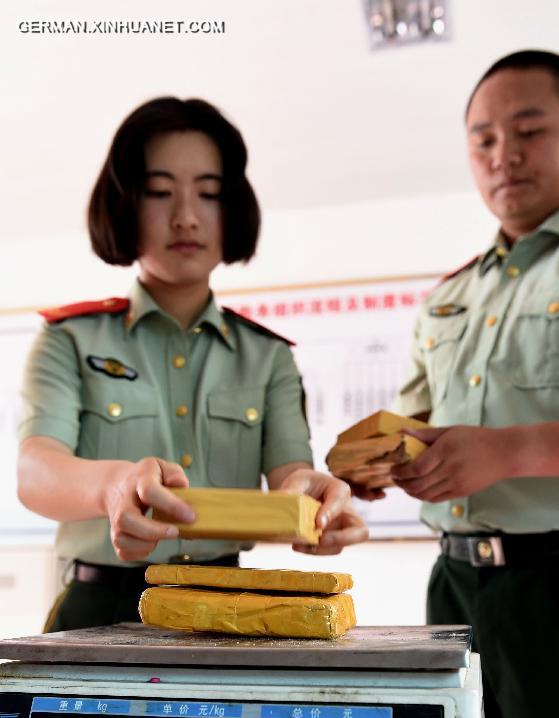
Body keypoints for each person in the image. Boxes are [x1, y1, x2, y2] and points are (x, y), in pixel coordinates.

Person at [17, 96, 367, 632]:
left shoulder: (268, 356)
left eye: (208, 193)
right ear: (125, 204)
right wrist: (113, 488)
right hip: (100, 610)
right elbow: (35, 470)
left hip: (230, 606)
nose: (185, 216)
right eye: (159, 192)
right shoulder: (69, 339)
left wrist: (316, 501)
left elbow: (290, 475)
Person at [388, 50, 559, 718]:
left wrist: (509, 451)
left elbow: (493, 448)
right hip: (452, 591)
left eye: (529, 129)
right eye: (483, 140)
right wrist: (368, 469)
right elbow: (413, 422)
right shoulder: (449, 295)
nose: (504, 156)